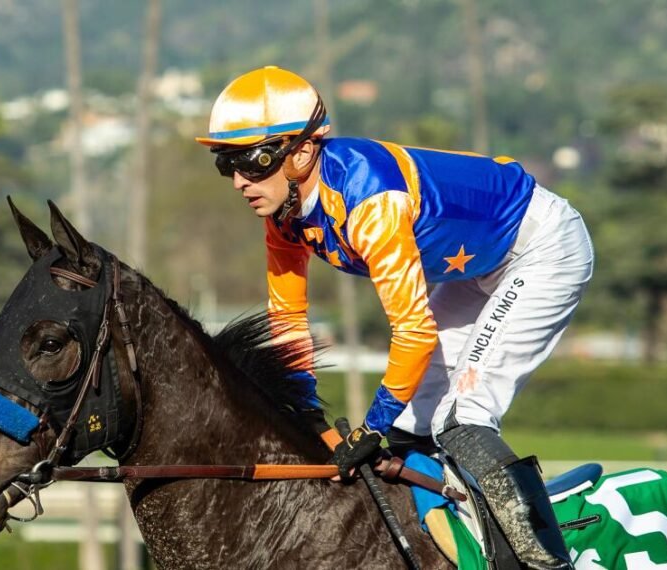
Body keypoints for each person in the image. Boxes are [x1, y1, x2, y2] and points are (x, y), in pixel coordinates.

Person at [196, 65, 592, 570]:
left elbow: (413, 331)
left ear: (300, 152)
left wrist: (369, 427)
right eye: (225, 163)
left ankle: (547, 563)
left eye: (251, 161)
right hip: (476, 266)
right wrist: (309, 414)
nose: (237, 182)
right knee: (412, 424)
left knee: (461, 417)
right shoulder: (284, 215)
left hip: (542, 248)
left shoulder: (371, 202)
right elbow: (289, 318)